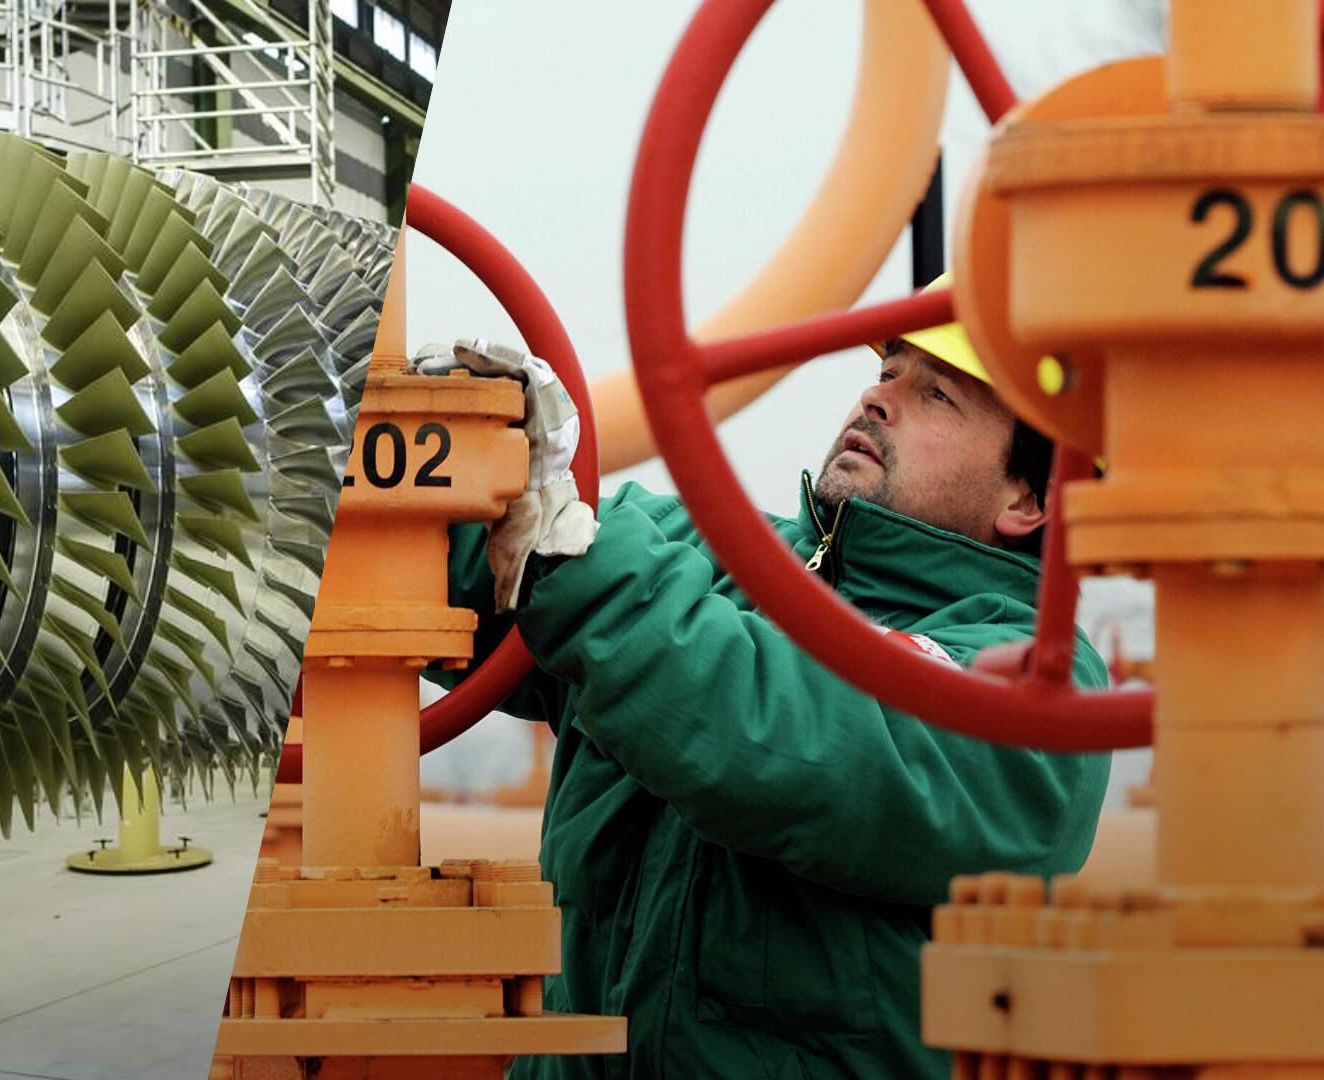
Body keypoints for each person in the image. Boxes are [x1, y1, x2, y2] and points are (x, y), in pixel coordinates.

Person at [424, 297, 1111, 1079]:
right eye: (889, 370)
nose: (877, 396)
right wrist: (433, 463)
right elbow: (457, 569)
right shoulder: (713, 561)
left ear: (1028, 500)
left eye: (937, 394)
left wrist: (560, 537)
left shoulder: (1036, 685)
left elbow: (773, 727)